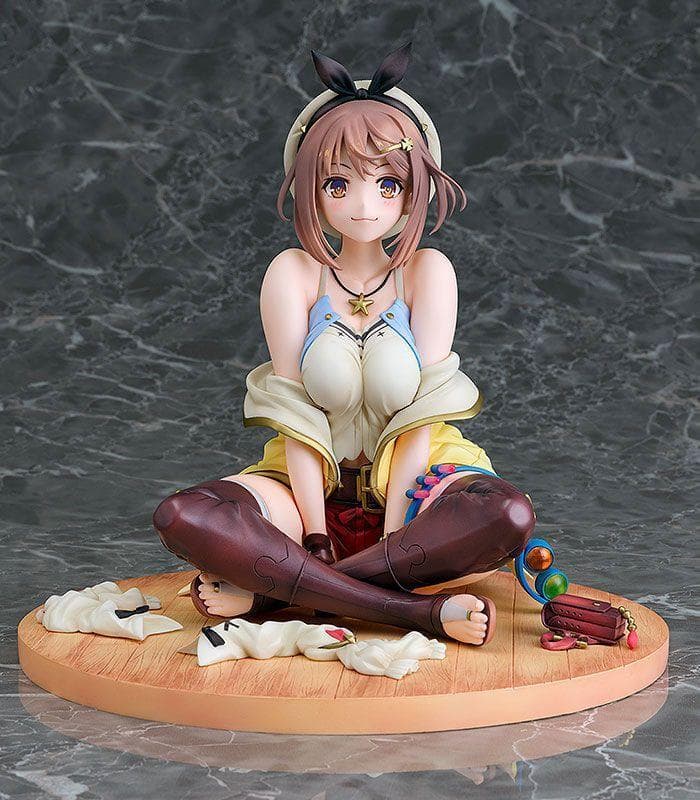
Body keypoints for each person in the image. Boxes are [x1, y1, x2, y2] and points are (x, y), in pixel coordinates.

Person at [152, 43, 536, 647]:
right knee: (185, 515)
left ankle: (285, 594)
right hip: (305, 491)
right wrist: (313, 534)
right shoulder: (294, 274)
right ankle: (412, 612)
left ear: (415, 189)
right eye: (338, 183)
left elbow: (419, 416)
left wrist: (392, 534)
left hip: (418, 494)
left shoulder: (426, 273)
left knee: (505, 513)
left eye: (387, 184)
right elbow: (296, 416)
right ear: (310, 187)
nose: (363, 206)